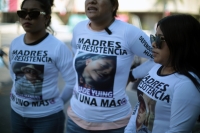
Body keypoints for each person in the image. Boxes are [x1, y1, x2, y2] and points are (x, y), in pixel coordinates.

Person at [66, 0, 155, 132]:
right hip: (76, 122)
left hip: (115, 125)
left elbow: (160, 58)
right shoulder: (79, 29)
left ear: (113, 6)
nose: (91, 1)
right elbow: (76, 56)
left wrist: (133, 74)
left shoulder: (129, 32)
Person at [125, 14, 200, 133]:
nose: (154, 44)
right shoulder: (156, 68)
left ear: (179, 42)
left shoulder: (186, 84)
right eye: (154, 38)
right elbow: (140, 108)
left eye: (161, 39)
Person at [9, 0, 75, 133]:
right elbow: (14, 75)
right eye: (23, 13)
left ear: (46, 18)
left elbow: (73, 82)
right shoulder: (15, 43)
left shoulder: (58, 47)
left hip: (47, 118)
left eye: (34, 13)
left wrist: (57, 103)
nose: (27, 17)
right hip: (16, 113)